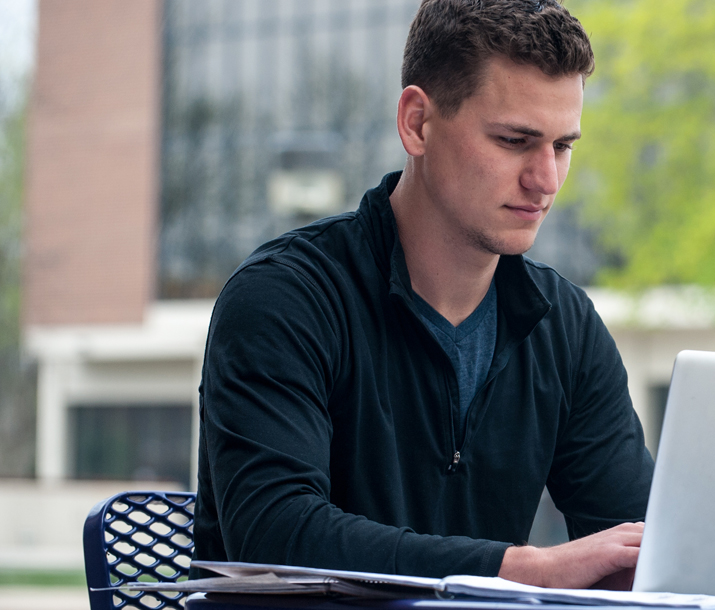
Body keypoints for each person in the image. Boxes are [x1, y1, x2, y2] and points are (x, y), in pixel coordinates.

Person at [194, 0, 653, 590]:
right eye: (515, 140)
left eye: (563, 146)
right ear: (416, 123)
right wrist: (518, 569)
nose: (546, 180)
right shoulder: (283, 300)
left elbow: (636, 541)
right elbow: (275, 535)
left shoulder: (565, 327)